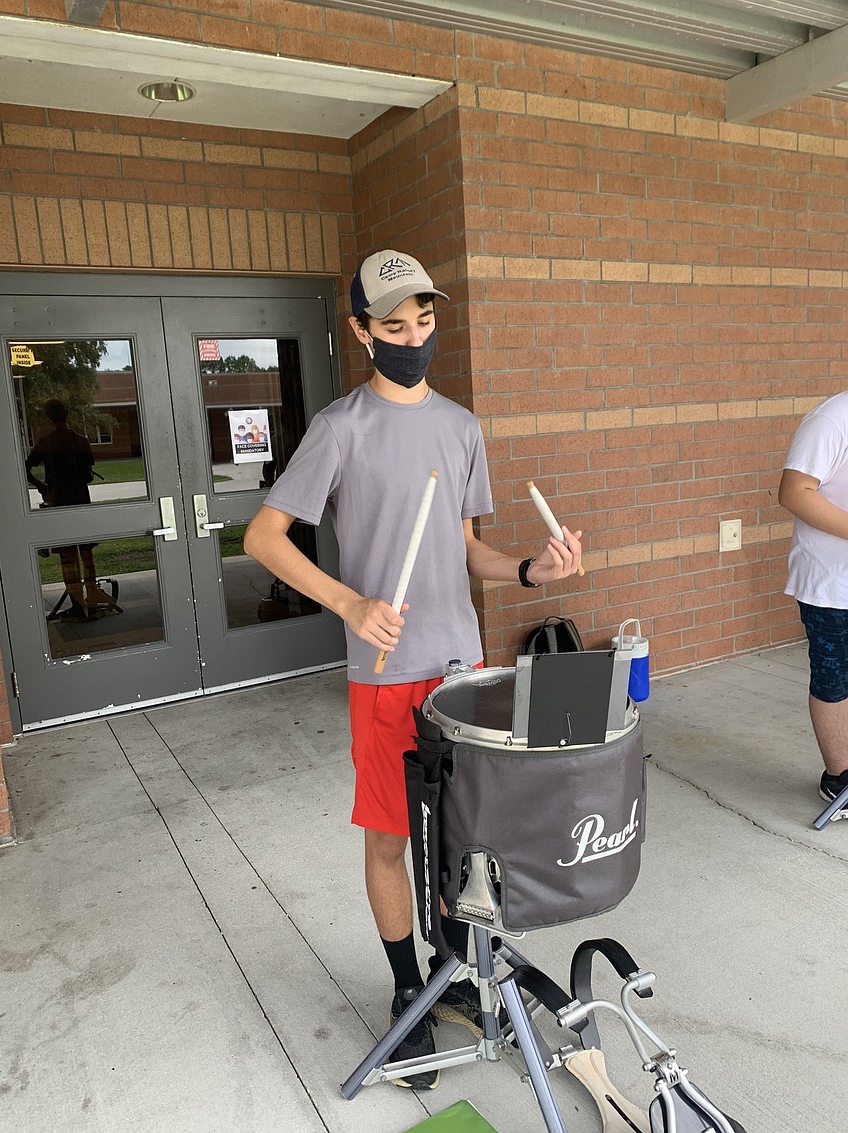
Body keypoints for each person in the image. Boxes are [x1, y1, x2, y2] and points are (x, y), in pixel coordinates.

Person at [244, 249, 583, 1089]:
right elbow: (262, 538)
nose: (413, 336)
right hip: (385, 673)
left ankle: (457, 969)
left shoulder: (461, 426)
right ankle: (406, 989)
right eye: (393, 325)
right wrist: (353, 605)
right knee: (392, 839)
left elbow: (467, 548)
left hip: (458, 669)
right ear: (361, 330)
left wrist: (533, 570)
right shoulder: (340, 427)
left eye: (424, 319)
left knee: (466, 840)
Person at [779, 390, 848, 817]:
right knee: (835, 679)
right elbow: (794, 491)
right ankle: (839, 780)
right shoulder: (832, 419)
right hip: (832, 584)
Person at [25, 399, 104, 622]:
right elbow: (88, 476)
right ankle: (92, 602)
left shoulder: (46, 442)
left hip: (59, 502)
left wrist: (41, 485)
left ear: (49, 417)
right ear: (67, 414)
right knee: (87, 556)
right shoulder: (81, 441)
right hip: (81, 502)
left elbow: (26, 467)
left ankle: (78, 605)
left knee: (68, 558)